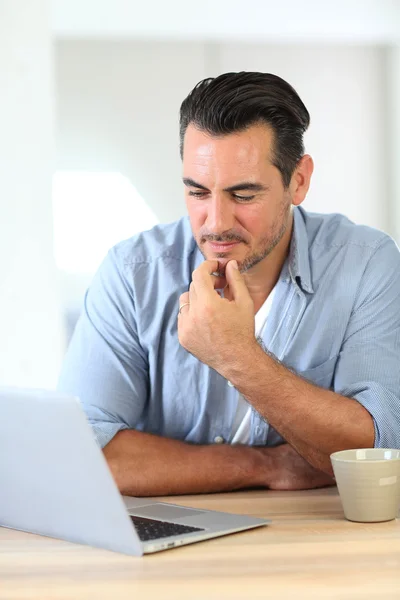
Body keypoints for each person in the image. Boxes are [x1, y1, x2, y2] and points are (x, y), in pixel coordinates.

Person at [58, 72, 400, 497]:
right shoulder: (132, 273)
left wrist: (236, 355)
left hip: (315, 539)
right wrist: (265, 465)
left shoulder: (366, 262)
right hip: (172, 545)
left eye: (243, 195)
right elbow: (78, 457)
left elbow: (383, 451)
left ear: (298, 181)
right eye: (197, 192)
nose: (216, 223)